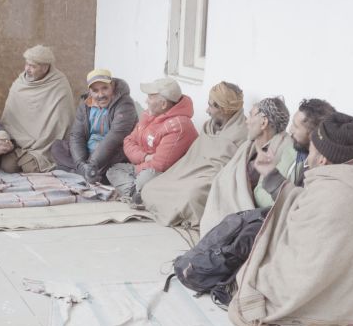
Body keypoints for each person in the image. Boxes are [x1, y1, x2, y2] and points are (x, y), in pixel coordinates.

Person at [228, 112, 353, 326]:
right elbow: (301, 203)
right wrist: (271, 175)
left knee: (252, 281)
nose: (309, 155)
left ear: (322, 159)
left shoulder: (330, 193)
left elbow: (299, 259)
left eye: (312, 149)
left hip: (328, 297)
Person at [141, 81, 247, 227]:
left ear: (224, 109)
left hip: (212, 181)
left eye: (211, 106)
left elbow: (229, 171)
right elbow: (192, 158)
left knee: (191, 195)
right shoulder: (210, 125)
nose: (207, 110)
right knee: (150, 187)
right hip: (189, 173)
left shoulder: (243, 133)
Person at [200, 96, 293, 236]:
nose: (246, 121)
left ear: (263, 122)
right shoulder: (249, 145)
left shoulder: (282, 151)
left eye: (250, 115)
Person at [106, 76, 197, 203]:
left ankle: (135, 192)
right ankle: (136, 194)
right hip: (145, 165)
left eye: (150, 97)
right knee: (114, 170)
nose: (146, 101)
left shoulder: (178, 126)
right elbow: (128, 141)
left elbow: (160, 165)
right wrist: (144, 157)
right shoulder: (150, 114)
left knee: (146, 176)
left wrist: (138, 169)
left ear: (164, 104)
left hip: (165, 174)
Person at [51, 69, 138, 183]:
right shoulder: (85, 105)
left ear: (112, 85)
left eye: (105, 88)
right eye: (95, 91)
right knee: (57, 147)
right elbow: (77, 135)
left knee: (115, 162)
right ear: (90, 92)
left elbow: (114, 138)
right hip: (88, 153)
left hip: (111, 153)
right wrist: (82, 164)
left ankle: (78, 171)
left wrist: (92, 164)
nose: (100, 95)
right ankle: (85, 172)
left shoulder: (125, 104)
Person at [0, 44, 76, 173]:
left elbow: (61, 121)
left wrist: (40, 143)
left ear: (45, 67)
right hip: (20, 141)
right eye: (27, 64)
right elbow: (10, 116)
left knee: (30, 167)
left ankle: (41, 157)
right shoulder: (20, 82)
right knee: (7, 166)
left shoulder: (59, 83)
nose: (27, 69)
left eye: (33, 66)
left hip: (46, 143)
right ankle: (24, 153)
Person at [254, 98, 335, 202]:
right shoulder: (292, 150)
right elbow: (260, 195)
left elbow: (275, 203)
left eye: (296, 126)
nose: (290, 130)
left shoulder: (321, 167)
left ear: (313, 134)